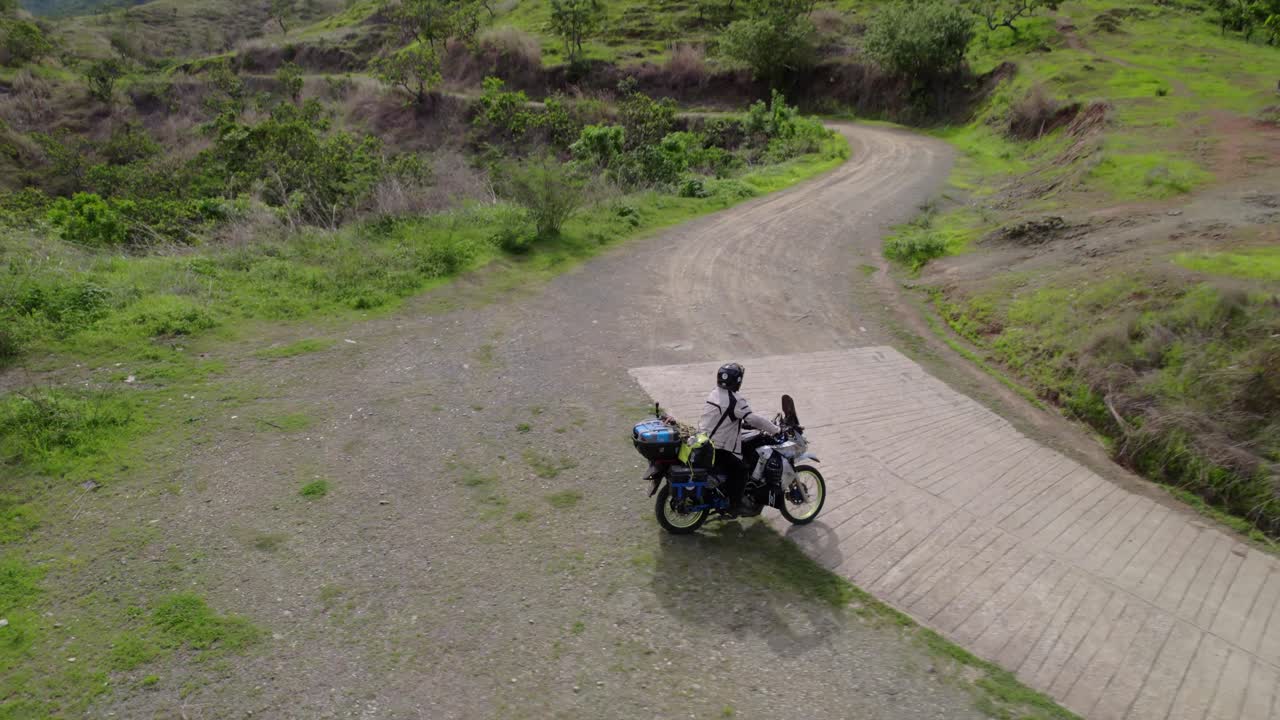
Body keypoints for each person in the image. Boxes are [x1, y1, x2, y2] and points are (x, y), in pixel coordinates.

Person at [698, 362, 780, 511]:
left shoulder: (714, 393)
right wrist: (776, 430)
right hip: (719, 446)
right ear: (737, 381)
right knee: (741, 470)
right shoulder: (734, 400)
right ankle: (734, 505)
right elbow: (754, 419)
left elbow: (727, 417)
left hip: (705, 440)